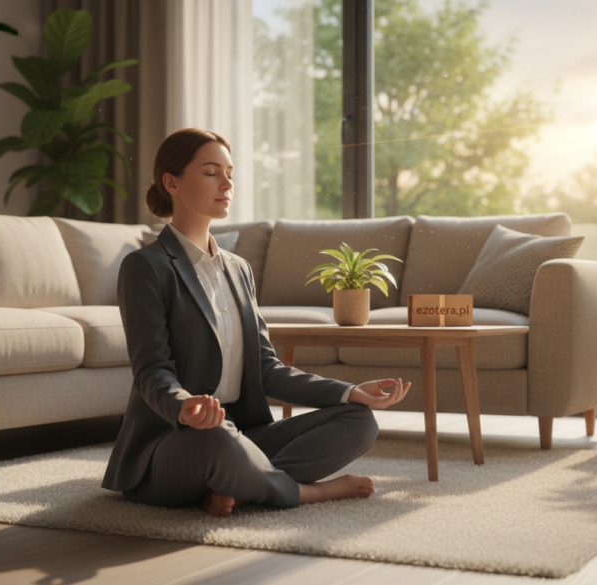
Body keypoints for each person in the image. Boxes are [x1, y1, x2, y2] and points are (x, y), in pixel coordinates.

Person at [102, 128, 411, 516]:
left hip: (244, 435)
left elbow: (266, 368)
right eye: (212, 172)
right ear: (172, 182)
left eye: (230, 172)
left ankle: (241, 487)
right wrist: (185, 407)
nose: (227, 182)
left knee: (359, 421)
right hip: (178, 440)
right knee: (217, 438)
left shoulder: (239, 269)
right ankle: (304, 491)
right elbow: (152, 372)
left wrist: (350, 392)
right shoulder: (145, 267)